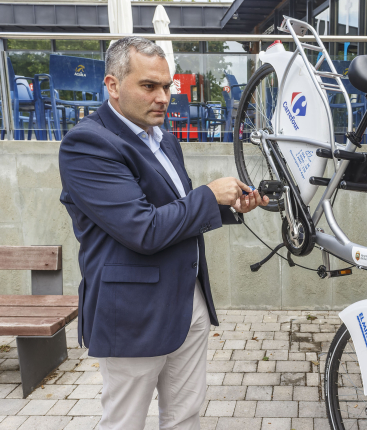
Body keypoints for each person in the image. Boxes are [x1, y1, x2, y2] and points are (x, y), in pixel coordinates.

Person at [58, 36, 268, 430]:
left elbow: (174, 210)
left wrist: (226, 207)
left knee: (185, 417)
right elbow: (143, 229)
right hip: (134, 313)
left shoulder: (166, 140)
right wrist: (207, 196)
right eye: (149, 86)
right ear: (113, 85)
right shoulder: (87, 144)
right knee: (125, 422)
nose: (163, 97)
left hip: (188, 300)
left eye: (167, 86)